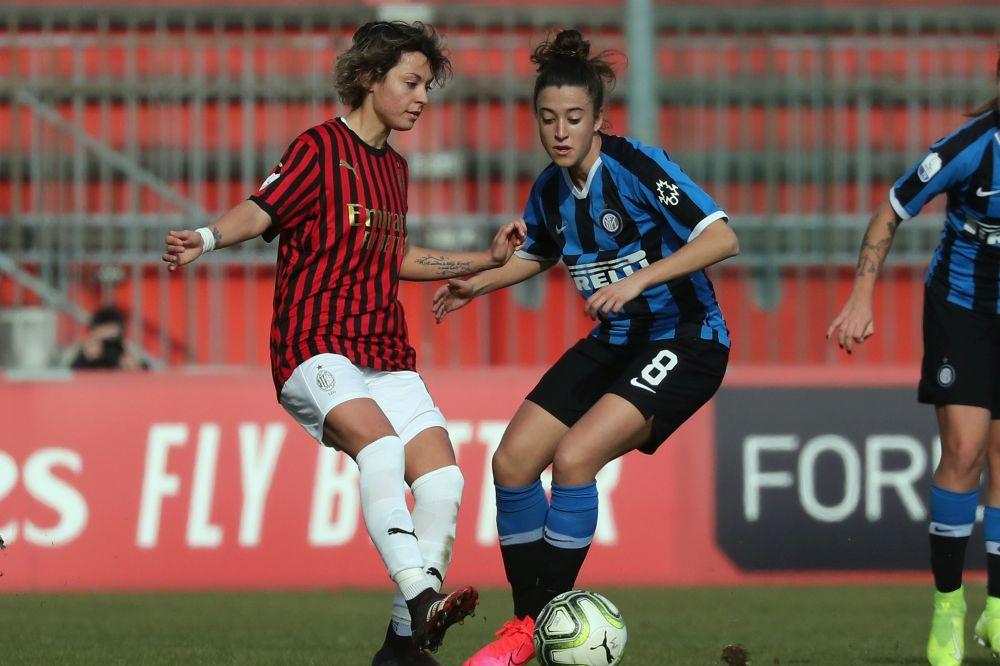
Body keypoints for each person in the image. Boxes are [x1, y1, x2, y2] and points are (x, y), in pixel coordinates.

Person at [162, 21, 526, 666]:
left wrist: (484, 260)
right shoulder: (318, 149)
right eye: (410, 83)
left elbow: (396, 255)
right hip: (314, 342)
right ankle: (421, 598)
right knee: (379, 448)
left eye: (427, 86)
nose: (422, 98)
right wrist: (207, 237)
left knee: (443, 480)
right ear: (367, 78)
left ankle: (402, 648)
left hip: (382, 348)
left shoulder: (395, 169)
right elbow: (263, 208)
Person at [432, 29, 739, 666]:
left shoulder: (638, 168)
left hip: (686, 339)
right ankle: (530, 624)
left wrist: (639, 280)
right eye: (548, 118)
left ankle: (531, 627)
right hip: (616, 340)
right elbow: (541, 253)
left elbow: (721, 239)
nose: (560, 130)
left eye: (574, 117)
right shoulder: (550, 188)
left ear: (599, 118)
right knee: (512, 461)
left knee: (574, 459)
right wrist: (477, 285)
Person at [828, 55, 1000, 666]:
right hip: (962, 308)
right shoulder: (972, 148)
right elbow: (891, 210)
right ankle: (949, 607)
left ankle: (997, 610)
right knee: (965, 451)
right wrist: (861, 296)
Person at [69, 306, 147, 370]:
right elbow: (65, 374)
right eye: (103, 341)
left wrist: (135, 368)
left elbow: (148, 376)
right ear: (92, 334)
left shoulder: (128, 350)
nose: (107, 347)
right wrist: (83, 359)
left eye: (111, 342)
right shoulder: (80, 349)